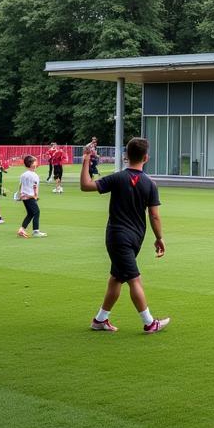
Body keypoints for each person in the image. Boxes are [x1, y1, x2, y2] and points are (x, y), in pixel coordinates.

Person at [81, 137, 169, 333]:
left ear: (126, 156)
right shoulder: (150, 184)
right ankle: (149, 323)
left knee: (116, 278)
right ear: (146, 157)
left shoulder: (117, 178)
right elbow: (154, 216)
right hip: (129, 239)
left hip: (117, 236)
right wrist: (159, 238)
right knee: (134, 279)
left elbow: (86, 184)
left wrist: (86, 158)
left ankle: (100, 320)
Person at [16, 154, 45, 237]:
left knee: (30, 214)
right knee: (37, 212)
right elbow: (35, 187)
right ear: (32, 164)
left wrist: (20, 195)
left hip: (24, 197)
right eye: (35, 161)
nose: (37, 162)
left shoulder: (23, 174)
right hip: (30, 196)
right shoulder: (35, 175)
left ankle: (21, 229)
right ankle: (36, 231)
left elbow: (20, 185)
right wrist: (35, 196)